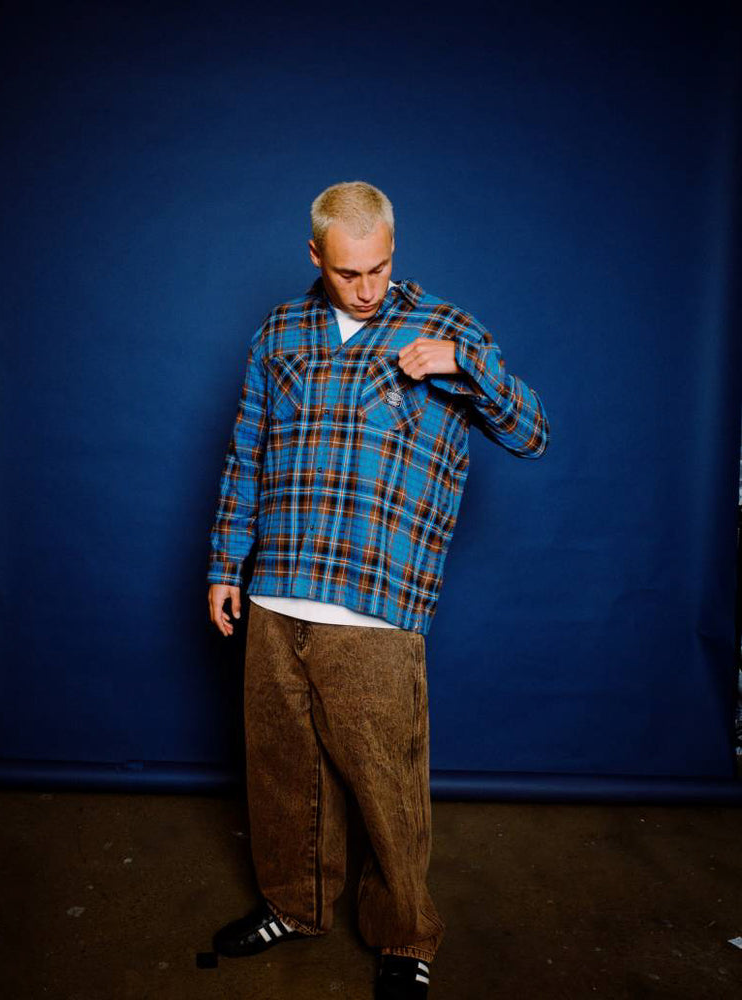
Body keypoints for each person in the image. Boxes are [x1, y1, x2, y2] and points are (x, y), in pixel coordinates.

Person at [206, 181, 549, 999]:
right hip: (275, 594)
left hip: (376, 603)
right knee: (282, 776)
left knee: (386, 785)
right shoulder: (279, 332)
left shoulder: (445, 327)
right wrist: (226, 563)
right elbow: (244, 452)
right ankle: (295, 905)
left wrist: (465, 366)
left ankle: (404, 937)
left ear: (395, 250)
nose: (367, 287)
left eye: (381, 268)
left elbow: (533, 431)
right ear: (317, 256)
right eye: (349, 272)